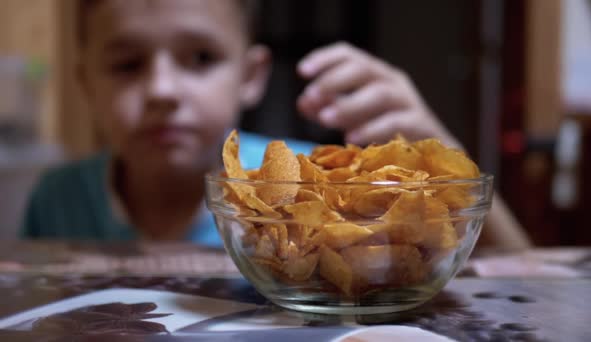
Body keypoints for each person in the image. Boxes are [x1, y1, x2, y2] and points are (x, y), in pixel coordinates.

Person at [22, 0, 531, 250]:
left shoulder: (315, 188)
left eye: (200, 57)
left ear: (251, 76)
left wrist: (447, 165)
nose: (162, 90)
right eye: (127, 64)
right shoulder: (56, 200)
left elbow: (529, 282)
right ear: (86, 83)